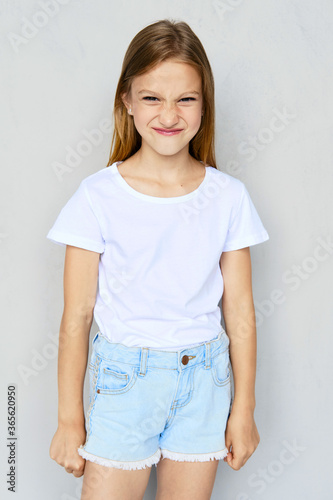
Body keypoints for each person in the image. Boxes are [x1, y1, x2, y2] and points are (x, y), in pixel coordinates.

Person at [47, 19, 269, 500]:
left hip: (206, 382)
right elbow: (77, 315)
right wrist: (69, 419)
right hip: (125, 383)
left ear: (205, 106)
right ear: (126, 101)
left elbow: (241, 313)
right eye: (151, 98)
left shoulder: (228, 197)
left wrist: (244, 410)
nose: (169, 113)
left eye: (186, 99)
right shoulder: (96, 197)